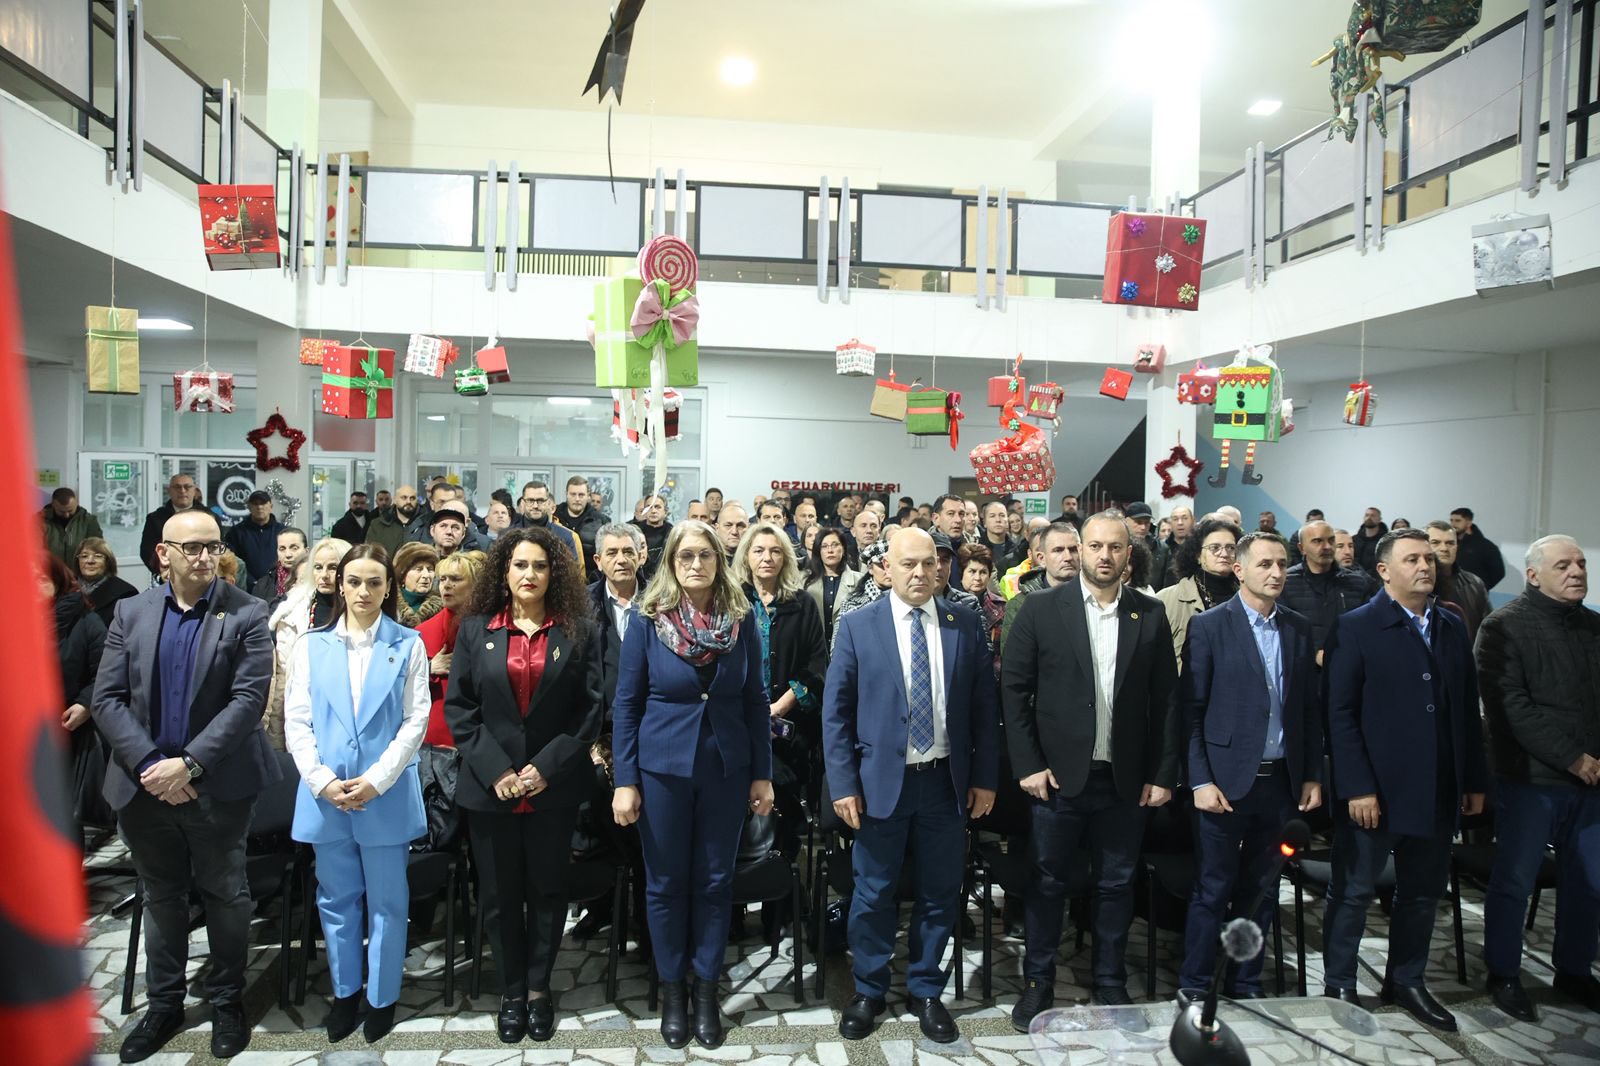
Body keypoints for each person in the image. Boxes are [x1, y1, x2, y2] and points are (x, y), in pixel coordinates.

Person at [91, 509, 279, 1062]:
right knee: (162, 896)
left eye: (213, 546)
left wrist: (188, 765)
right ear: (163, 554)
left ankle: (226, 1001)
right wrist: (153, 764)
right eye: (192, 547)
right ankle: (164, 1004)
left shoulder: (246, 611)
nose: (204, 556)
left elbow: (248, 700)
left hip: (218, 786)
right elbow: (107, 699)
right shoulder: (131, 612)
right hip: (143, 786)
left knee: (225, 894)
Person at [1002, 512, 1180, 1028]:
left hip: (1125, 779)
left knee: (1117, 885)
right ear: (1080, 550)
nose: (1105, 556)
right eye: (1096, 546)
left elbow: (1167, 701)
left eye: (1115, 547)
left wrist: (1162, 773)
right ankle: (1038, 982)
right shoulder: (1041, 609)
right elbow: (1013, 691)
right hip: (1057, 779)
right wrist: (1029, 765)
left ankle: (1109, 980)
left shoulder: (1149, 613)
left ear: (1129, 553)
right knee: (1047, 882)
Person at [823, 529, 998, 1044]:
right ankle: (869, 990)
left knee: (941, 892)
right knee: (873, 893)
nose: (921, 573)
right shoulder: (858, 625)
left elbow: (984, 710)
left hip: (945, 783)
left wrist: (985, 778)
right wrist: (843, 784)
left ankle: (925, 989)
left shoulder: (964, 623)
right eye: (908, 564)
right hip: (880, 784)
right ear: (887, 568)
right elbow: (836, 714)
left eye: (930, 563)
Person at [611, 520, 773, 1050]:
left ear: (719, 561)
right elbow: (627, 703)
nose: (696, 564)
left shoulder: (740, 618)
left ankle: (705, 992)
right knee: (664, 884)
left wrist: (763, 773)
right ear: (671, 563)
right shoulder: (648, 619)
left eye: (705, 555)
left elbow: (755, 700)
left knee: (714, 883)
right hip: (661, 771)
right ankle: (672, 992)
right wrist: (625, 780)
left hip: (726, 769)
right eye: (686, 556)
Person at [1322, 530, 1488, 1031]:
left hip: (1436, 787)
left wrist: (1472, 779)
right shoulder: (1356, 626)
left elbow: (1466, 710)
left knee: (1421, 894)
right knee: (1353, 892)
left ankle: (1406, 980)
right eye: (1412, 559)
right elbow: (1339, 714)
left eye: (1429, 558)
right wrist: (1357, 786)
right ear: (1384, 571)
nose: (1425, 566)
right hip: (1376, 789)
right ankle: (1340, 983)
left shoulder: (1451, 625)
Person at [444, 528, 603, 1042]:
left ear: (554, 573)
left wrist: (544, 768)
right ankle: (511, 991)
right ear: (503, 571)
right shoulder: (475, 629)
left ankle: (538, 989)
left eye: (539, 565)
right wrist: (498, 770)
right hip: (490, 789)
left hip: (552, 789)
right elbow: (460, 708)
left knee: (548, 892)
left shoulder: (578, 630)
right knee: (498, 896)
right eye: (519, 565)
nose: (529, 574)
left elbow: (589, 710)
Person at [284, 543, 429, 1044]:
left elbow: (415, 720)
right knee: (336, 900)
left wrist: (377, 779)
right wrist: (321, 780)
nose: (363, 591)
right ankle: (345, 993)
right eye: (354, 581)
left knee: (388, 901)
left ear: (388, 588)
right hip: (327, 796)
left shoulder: (408, 644)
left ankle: (382, 997)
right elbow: (296, 720)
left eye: (373, 582)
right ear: (339, 585)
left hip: (383, 793)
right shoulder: (312, 645)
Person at [1177, 533, 1322, 999]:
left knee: (1261, 890)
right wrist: (1200, 779)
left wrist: (1311, 773)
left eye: (1281, 564)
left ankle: (1245, 981)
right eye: (1264, 564)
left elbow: (1308, 709)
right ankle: (1196, 984)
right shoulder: (1210, 626)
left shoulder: (1298, 627)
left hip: (1280, 783)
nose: (1276, 573)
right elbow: (1190, 712)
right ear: (1239, 570)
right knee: (1213, 888)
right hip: (1223, 782)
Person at [1475, 535, 1600, 1021]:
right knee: (1515, 881)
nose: (1577, 571)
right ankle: (1504, 972)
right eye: (1563, 565)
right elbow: (1509, 706)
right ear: (1532, 575)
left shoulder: (1593, 625)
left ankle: (1574, 970)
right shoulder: (1503, 626)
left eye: (1581, 563)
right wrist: (1572, 757)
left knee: (1588, 883)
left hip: (1590, 784)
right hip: (1530, 780)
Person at [734, 522, 828, 915]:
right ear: (746, 556)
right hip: (736, 728)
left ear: (785, 557)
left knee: (784, 817)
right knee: (735, 821)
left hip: (788, 734)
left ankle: (782, 908)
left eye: (775, 551)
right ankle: (734, 908)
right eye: (758, 551)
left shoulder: (802, 604)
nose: (767, 558)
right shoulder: (732, 600)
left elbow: (817, 665)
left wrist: (780, 706)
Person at [265, 537, 350, 751]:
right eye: (318, 567)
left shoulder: (360, 611)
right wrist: (277, 738)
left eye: (333, 567)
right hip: (301, 712)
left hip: (346, 712)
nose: (324, 575)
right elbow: (282, 680)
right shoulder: (293, 613)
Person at [42, 553, 107, 829]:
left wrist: (85, 705)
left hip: (69, 730)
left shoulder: (85, 621)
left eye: (40, 579)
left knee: (62, 817)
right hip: (20, 732)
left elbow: (106, 672)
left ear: (58, 581)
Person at [1281, 520, 1376, 665]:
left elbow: (1368, 627)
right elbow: (1283, 632)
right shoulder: (1285, 583)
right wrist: (1314, 653)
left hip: (1349, 666)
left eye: (1331, 540)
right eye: (1317, 541)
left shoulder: (1357, 583)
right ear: (1302, 548)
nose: (1327, 547)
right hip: (1303, 670)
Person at [1155, 517, 1243, 671]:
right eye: (1215, 547)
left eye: (1231, 548)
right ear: (1197, 555)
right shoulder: (1167, 599)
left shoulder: (1247, 598)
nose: (1224, 553)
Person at [1000, 522, 1080, 652]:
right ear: (1041, 558)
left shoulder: (1096, 597)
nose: (1068, 557)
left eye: (1073, 549)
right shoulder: (1020, 605)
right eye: (1058, 550)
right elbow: (1015, 658)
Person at [1425, 520, 1490, 641]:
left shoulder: (1475, 584)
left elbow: (1488, 628)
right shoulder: (1416, 582)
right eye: (1435, 543)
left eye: (1450, 543)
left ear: (1457, 547)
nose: (1444, 548)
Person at [957, 543, 1006, 678]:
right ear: (961, 573)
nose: (978, 578)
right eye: (972, 571)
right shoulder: (950, 605)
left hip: (994, 676)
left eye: (983, 572)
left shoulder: (1001, 607)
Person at [139, 473, 201, 577]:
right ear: (169, 491)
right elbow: (147, 552)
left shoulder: (209, 517)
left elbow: (218, 549)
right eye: (177, 487)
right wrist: (164, 571)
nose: (182, 491)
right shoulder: (155, 519)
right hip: (168, 576)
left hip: (202, 573)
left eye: (187, 487)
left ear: (194, 490)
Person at [804, 527, 862, 634]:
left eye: (835, 545)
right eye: (824, 546)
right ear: (818, 551)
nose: (830, 550)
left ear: (843, 549)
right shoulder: (804, 581)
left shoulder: (859, 580)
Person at [73, 536, 139, 628]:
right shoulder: (65, 588)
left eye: (98, 556)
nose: (90, 561)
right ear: (78, 561)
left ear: (108, 562)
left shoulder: (126, 594)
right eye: (84, 556)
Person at [554, 475, 610, 583]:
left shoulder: (601, 521)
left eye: (581, 495)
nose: (577, 499)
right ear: (566, 494)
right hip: (558, 580)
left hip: (591, 582)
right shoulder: (554, 517)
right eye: (573, 494)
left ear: (588, 496)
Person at [223, 490, 285, 586]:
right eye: (255, 504)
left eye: (263, 503)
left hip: (277, 586)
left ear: (271, 506)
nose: (259, 507)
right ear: (249, 507)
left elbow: (288, 559)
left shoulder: (283, 531)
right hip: (245, 587)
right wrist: (251, 581)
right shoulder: (236, 532)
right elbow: (231, 560)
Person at [514, 481, 584, 562]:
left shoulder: (565, 537)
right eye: (530, 500)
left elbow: (573, 569)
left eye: (540, 501)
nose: (535, 506)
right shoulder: (508, 535)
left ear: (548, 502)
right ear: (523, 503)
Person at [1450, 507, 1507, 591]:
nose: (1453, 524)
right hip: (1449, 593)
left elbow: (1498, 573)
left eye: (1458, 521)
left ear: (1469, 523)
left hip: (1473, 595)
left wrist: (1478, 589)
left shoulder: (1485, 546)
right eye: (1451, 520)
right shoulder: (1450, 544)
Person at [43, 486, 104, 565]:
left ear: (76, 503)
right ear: (53, 505)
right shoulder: (39, 521)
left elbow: (97, 548)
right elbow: (34, 551)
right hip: (48, 570)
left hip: (80, 570)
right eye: (61, 512)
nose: (66, 515)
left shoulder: (89, 521)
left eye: (70, 510)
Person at [250, 527, 308, 604]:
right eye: (282, 549)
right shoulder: (263, 585)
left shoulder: (317, 580)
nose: (288, 555)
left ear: (306, 551)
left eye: (294, 548)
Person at [394, 542, 443, 628]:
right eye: (419, 569)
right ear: (402, 575)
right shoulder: (388, 605)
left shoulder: (442, 608)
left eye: (430, 570)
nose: (426, 575)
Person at [366, 484, 420, 558]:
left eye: (412, 498)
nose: (408, 501)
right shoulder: (378, 525)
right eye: (404, 498)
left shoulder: (425, 524)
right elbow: (370, 553)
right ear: (395, 500)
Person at [632, 493, 673, 584]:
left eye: (657, 507)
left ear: (665, 511)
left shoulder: (673, 533)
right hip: (638, 580)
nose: (653, 511)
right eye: (649, 507)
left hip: (665, 581)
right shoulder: (634, 532)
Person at [977, 501, 1025, 573]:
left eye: (1002, 515)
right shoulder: (976, 551)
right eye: (992, 516)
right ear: (984, 523)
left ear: (1007, 521)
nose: (998, 520)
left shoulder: (1017, 551)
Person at [1155, 506, 1194, 591]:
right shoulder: (1161, 549)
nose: (1180, 523)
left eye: (1184, 518)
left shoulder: (1199, 547)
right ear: (1171, 523)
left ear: (1192, 520)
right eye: (1175, 519)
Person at [1351, 507, 1388, 576]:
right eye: (1367, 515)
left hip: (1378, 578)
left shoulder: (1385, 541)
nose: (1369, 518)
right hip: (1355, 577)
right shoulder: (1354, 540)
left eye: (1373, 515)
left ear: (1380, 519)